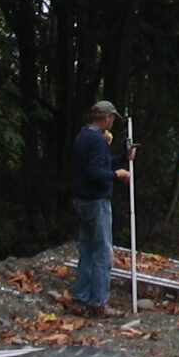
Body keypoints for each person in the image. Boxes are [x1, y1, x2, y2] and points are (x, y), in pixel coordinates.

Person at [69, 101, 132, 317]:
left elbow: (99, 164)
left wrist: (122, 159)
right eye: (112, 118)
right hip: (96, 201)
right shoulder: (97, 140)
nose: (113, 122)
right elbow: (96, 172)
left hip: (82, 200)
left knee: (87, 250)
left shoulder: (83, 136)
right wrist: (118, 175)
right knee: (103, 252)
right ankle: (99, 303)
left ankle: (82, 298)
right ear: (106, 118)